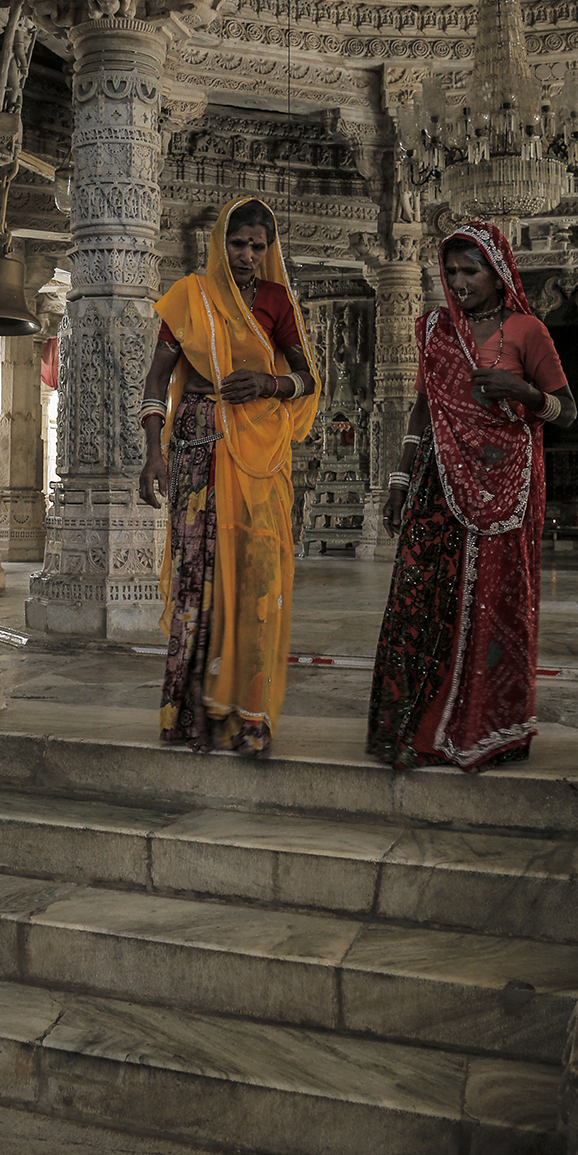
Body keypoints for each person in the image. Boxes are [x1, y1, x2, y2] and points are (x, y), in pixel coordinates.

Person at [367, 221, 576, 771]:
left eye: (471, 271)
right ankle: (419, 727)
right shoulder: (437, 329)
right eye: (452, 272)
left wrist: (523, 392)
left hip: (506, 484)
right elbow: (423, 410)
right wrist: (399, 480)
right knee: (423, 594)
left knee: (493, 599)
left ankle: (488, 726)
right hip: (439, 482)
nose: (458, 282)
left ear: (498, 271)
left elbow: (566, 410)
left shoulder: (528, 330)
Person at [139, 197, 321, 757]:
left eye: (258, 247)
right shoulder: (188, 297)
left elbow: (307, 379)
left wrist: (269, 386)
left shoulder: (275, 301)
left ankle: (250, 717)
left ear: (269, 252)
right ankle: (190, 713)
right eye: (238, 244)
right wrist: (153, 453)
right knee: (197, 576)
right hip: (196, 448)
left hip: (262, 453)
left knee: (258, 578)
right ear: (221, 243)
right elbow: (154, 384)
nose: (247, 256)